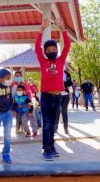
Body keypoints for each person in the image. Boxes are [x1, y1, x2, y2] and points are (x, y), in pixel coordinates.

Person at [35, 18, 70, 161]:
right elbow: (37, 47)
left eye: (54, 49)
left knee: (54, 124)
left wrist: (63, 29)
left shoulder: (60, 61)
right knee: (47, 124)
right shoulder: (43, 61)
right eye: (48, 50)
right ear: (45, 52)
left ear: (57, 50)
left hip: (58, 97)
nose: (51, 51)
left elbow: (67, 45)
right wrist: (41, 30)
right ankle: (46, 149)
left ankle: (52, 146)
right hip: (46, 97)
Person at [55, 64, 73, 134]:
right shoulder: (55, 73)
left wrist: (70, 95)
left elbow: (69, 84)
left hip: (66, 95)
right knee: (57, 111)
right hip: (58, 95)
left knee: (64, 111)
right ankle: (55, 127)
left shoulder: (67, 74)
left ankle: (66, 128)